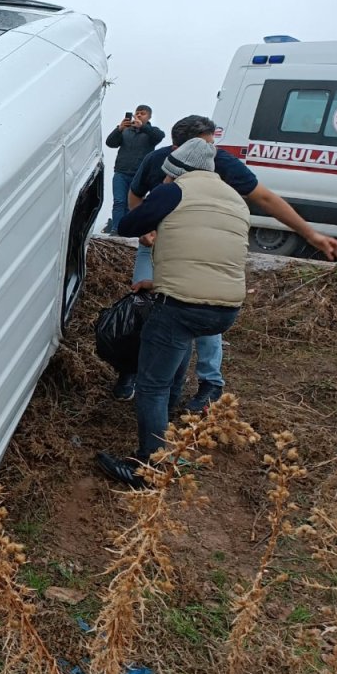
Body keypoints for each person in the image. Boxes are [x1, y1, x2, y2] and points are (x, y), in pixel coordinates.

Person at [108, 115, 337, 409]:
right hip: (160, 242)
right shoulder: (156, 160)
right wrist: (147, 231)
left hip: (203, 249)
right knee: (141, 305)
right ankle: (130, 370)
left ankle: (209, 383)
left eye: (212, 144)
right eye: (204, 145)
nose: (211, 151)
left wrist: (311, 234)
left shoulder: (222, 162)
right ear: (177, 149)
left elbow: (265, 198)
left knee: (203, 309)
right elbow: (135, 197)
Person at [98, 139, 249, 487]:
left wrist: (162, 192)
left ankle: (151, 468)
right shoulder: (234, 198)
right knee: (176, 351)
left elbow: (127, 225)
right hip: (225, 308)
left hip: (183, 305)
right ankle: (165, 427)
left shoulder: (174, 191)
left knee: (151, 384)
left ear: (175, 170)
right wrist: (156, 282)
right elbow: (207, 252)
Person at [104, 105, 165, 234]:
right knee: (119, 202)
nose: (138, 116)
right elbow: (110, 143)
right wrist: (119, 129)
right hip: (121, 172)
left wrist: (142, 127)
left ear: (149, 117)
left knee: (133, 204)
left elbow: (159, 136)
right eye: (137, 113)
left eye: (142, 114)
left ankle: (131, 230)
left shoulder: (151, 132)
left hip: (139, 174)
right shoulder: (126, 130)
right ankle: (116, 229)